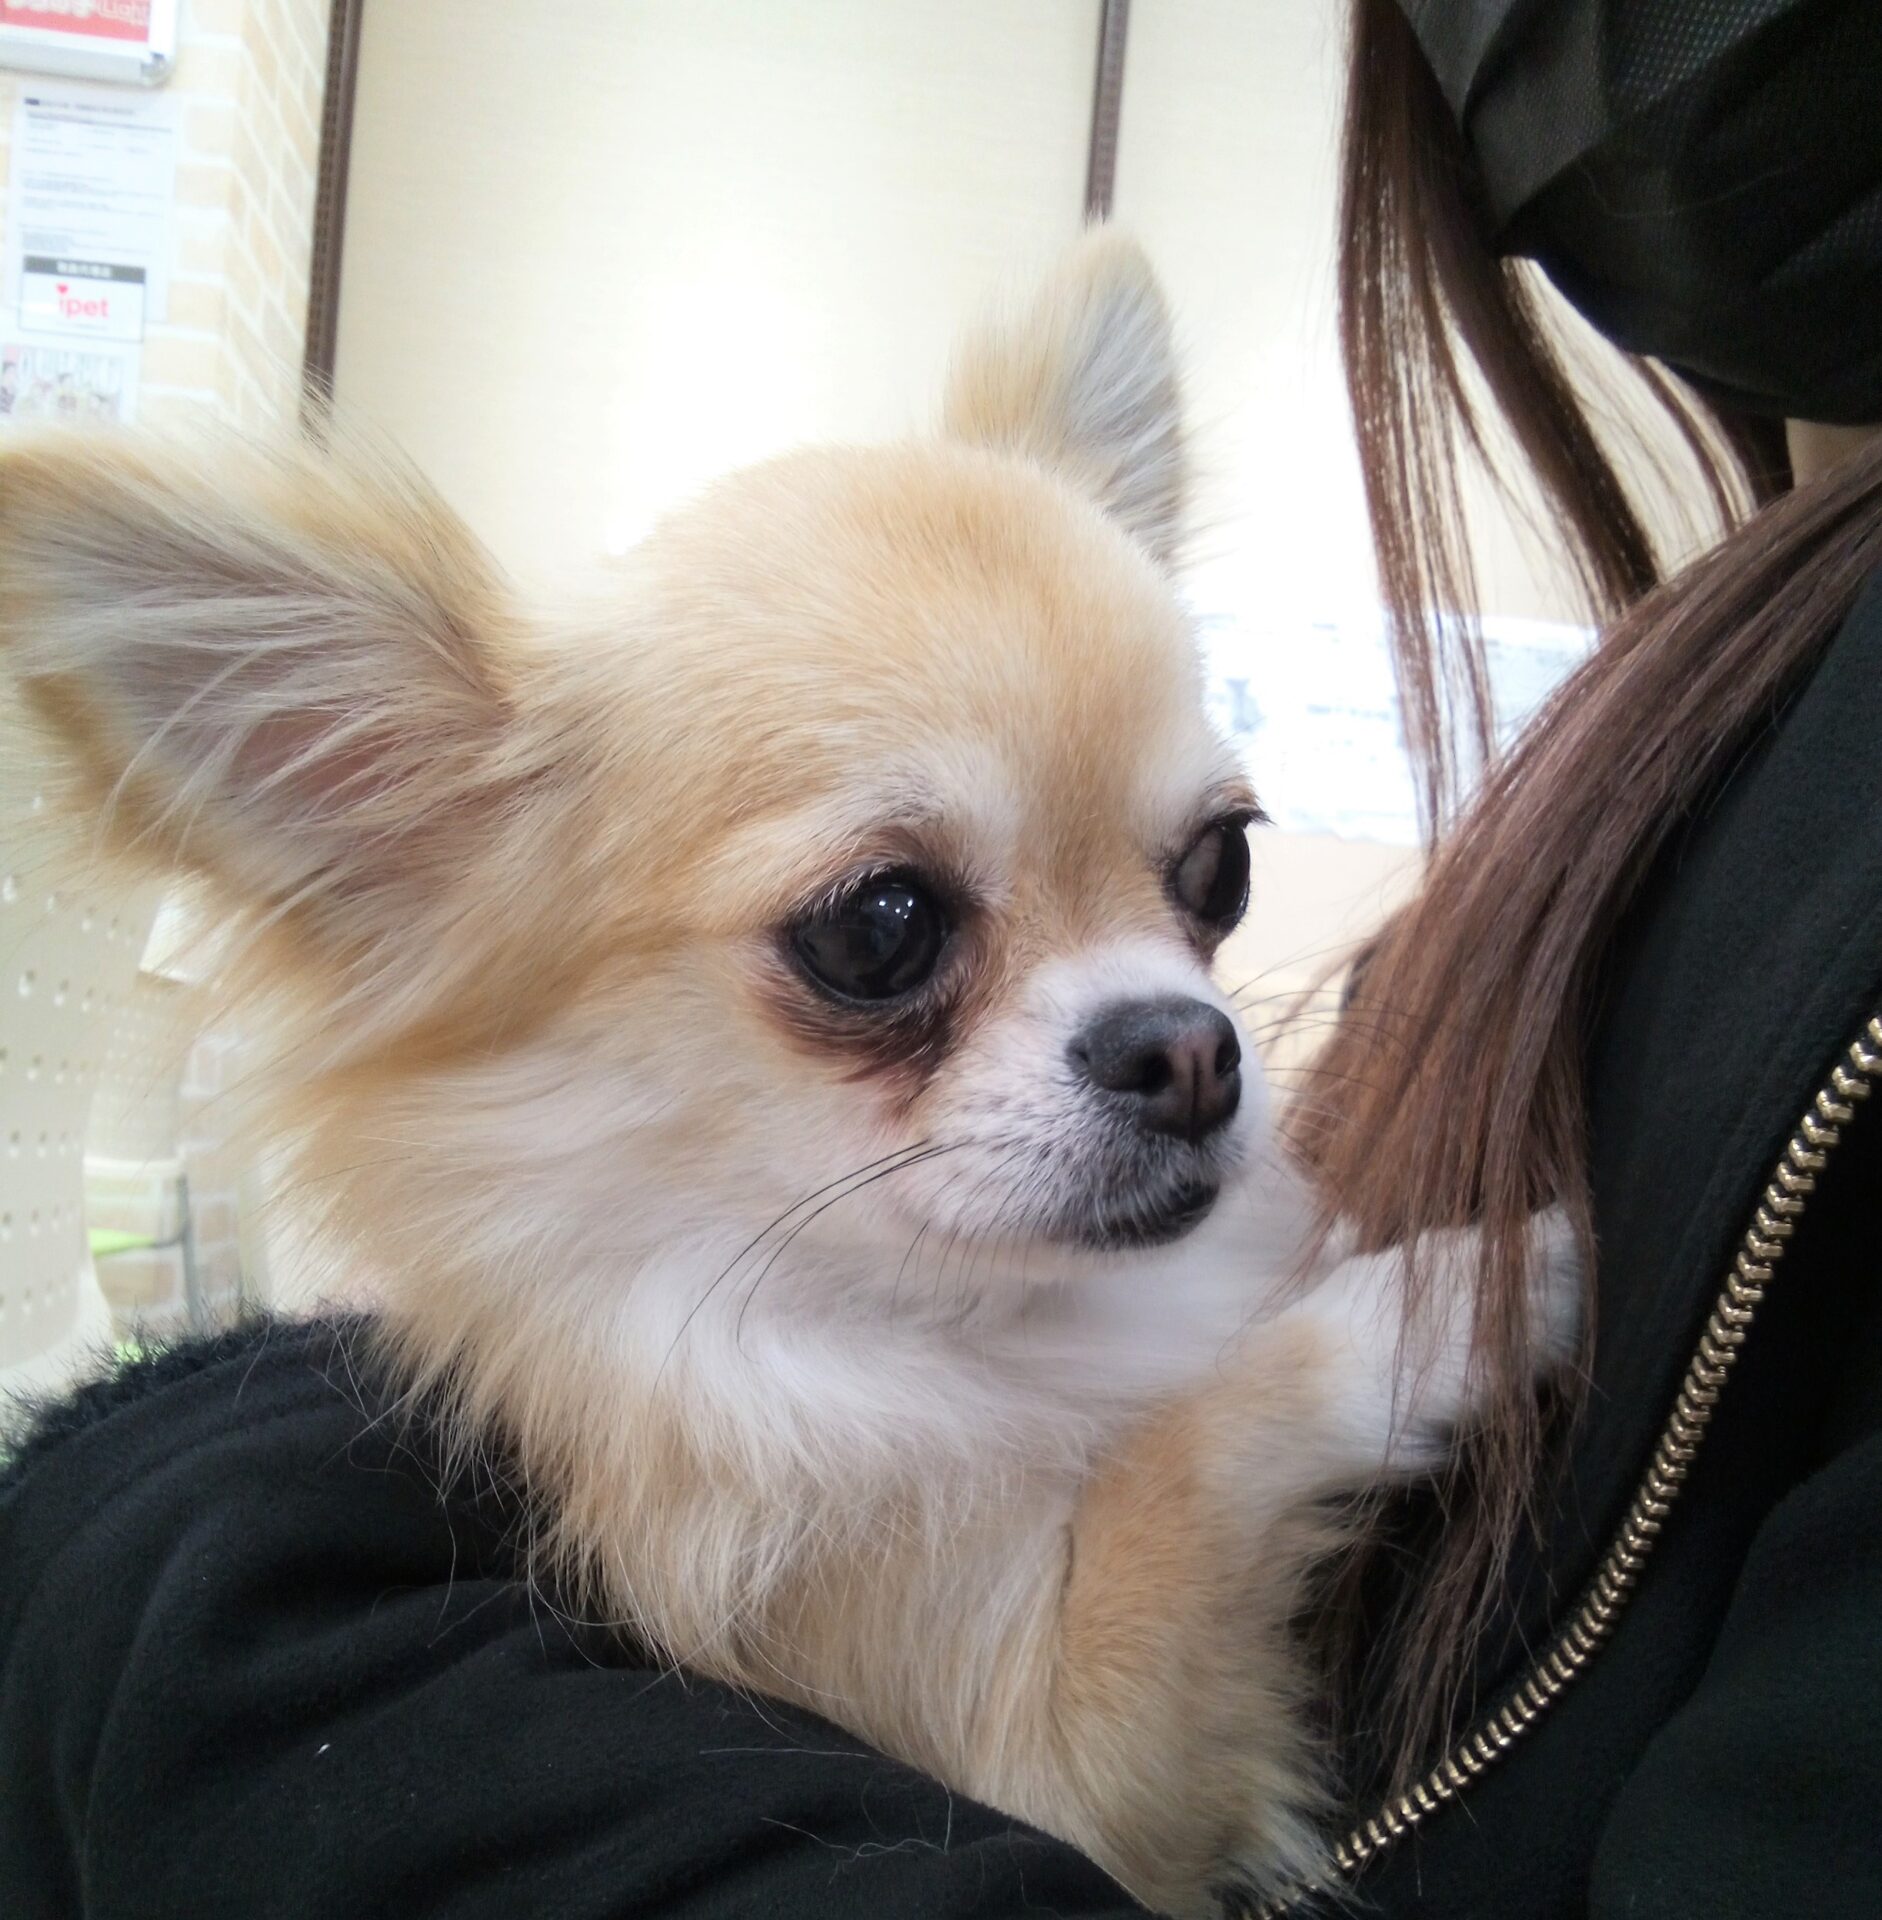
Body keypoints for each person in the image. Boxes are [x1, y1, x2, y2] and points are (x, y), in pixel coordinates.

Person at [3, 5, 1879, 1918]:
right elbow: (1086, 1802)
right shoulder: (730, 1441)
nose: (1173, 1030)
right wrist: (1292, 1406)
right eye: (878, 934)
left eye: (1199, 874)